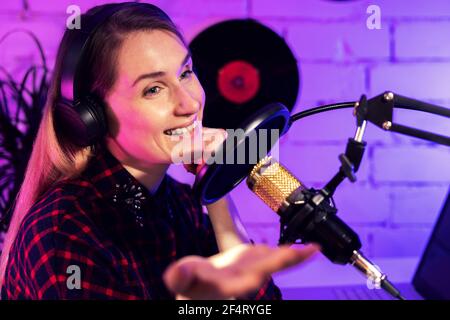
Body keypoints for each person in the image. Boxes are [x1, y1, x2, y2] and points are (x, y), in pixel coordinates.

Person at [0, 2, 318, 300]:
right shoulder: (66, 232)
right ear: (91, 117)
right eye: (153, 89)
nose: (190, 104)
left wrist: (218, 189)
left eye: (185, 73)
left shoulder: (179, 205)